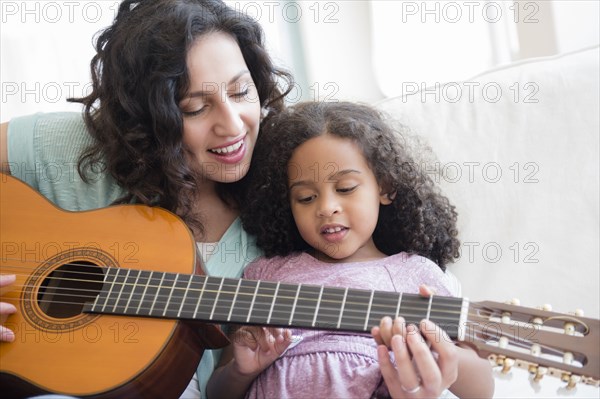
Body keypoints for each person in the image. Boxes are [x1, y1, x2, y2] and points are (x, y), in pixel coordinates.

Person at [0, 0, 293, 397]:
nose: (232, 123)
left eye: (242, 91)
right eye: (195, 108)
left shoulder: (284, 214)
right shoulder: (70, 148)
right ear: (147, 119)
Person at [207, 101, 495, 398]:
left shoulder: (414, 275)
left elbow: (482, 388)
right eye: (306, 197)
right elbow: (217, 393)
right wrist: (242, 370)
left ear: (384, 187)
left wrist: (433, 349)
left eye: (345, 188)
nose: (326, 208)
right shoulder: (267, 275)